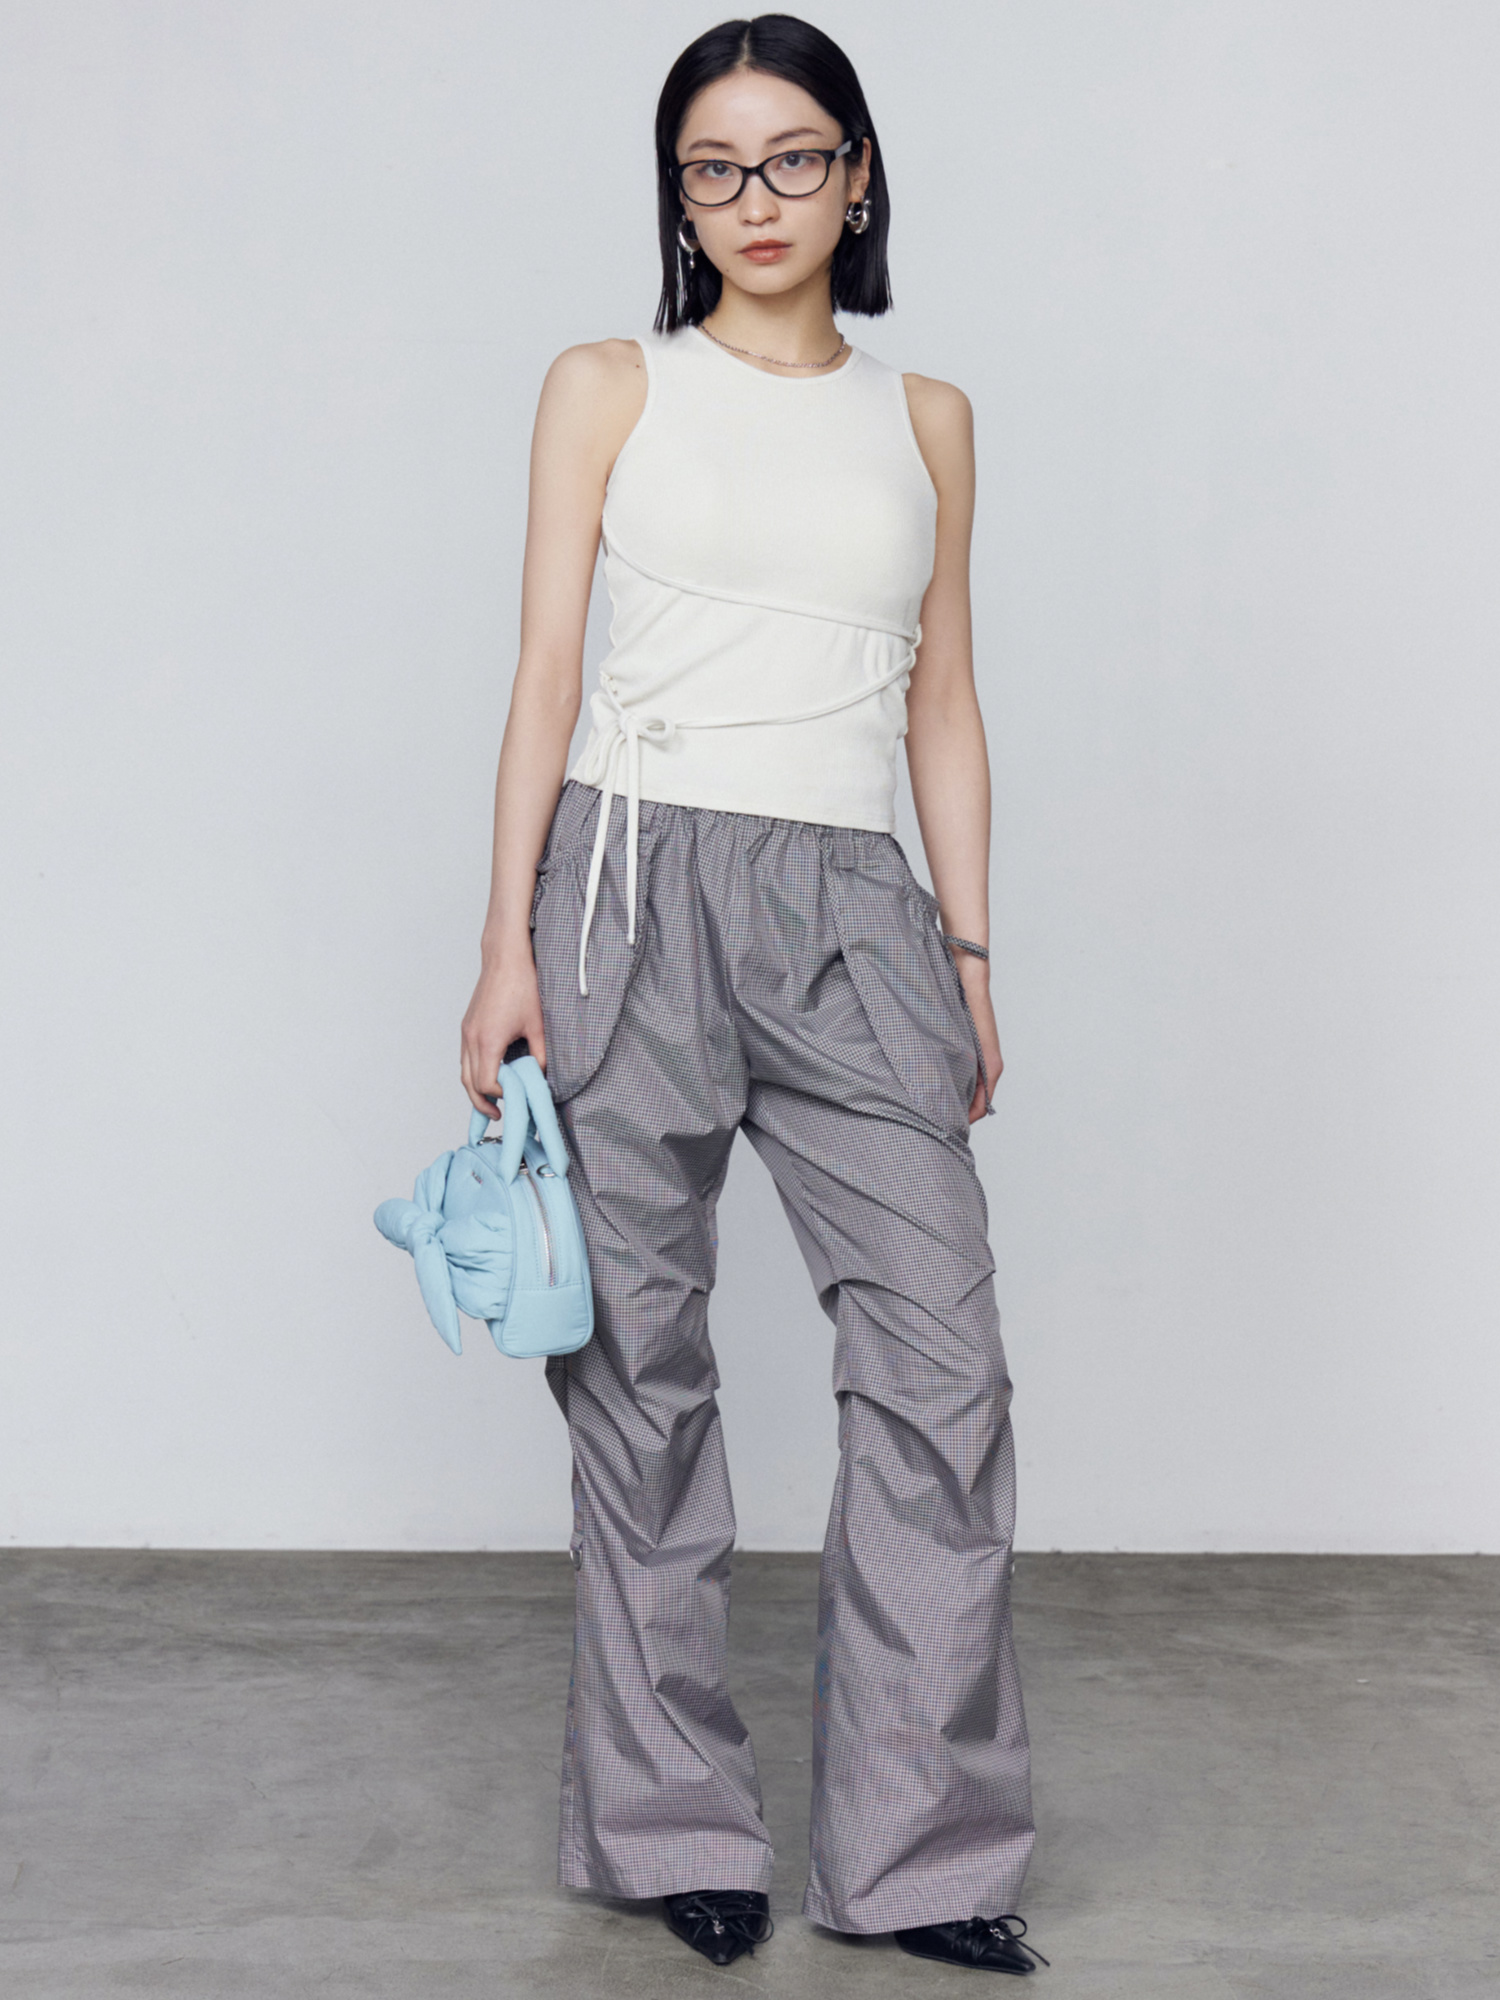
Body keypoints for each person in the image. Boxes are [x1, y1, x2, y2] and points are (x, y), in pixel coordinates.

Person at [460, 13, 1045, 1979]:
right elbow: (545, 674)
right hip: (628, 882)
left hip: (854, 908)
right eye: (713, 168)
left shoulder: (928, 415)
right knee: (638, 1371)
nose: (756, 200)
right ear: (679, 196)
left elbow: (943, 698)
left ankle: (923, 1855)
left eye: (794, 158)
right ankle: (671, 1827)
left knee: (943, 1367)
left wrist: (969, 952)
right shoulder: (608, 384)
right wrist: (503, 947)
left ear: (858, 174)